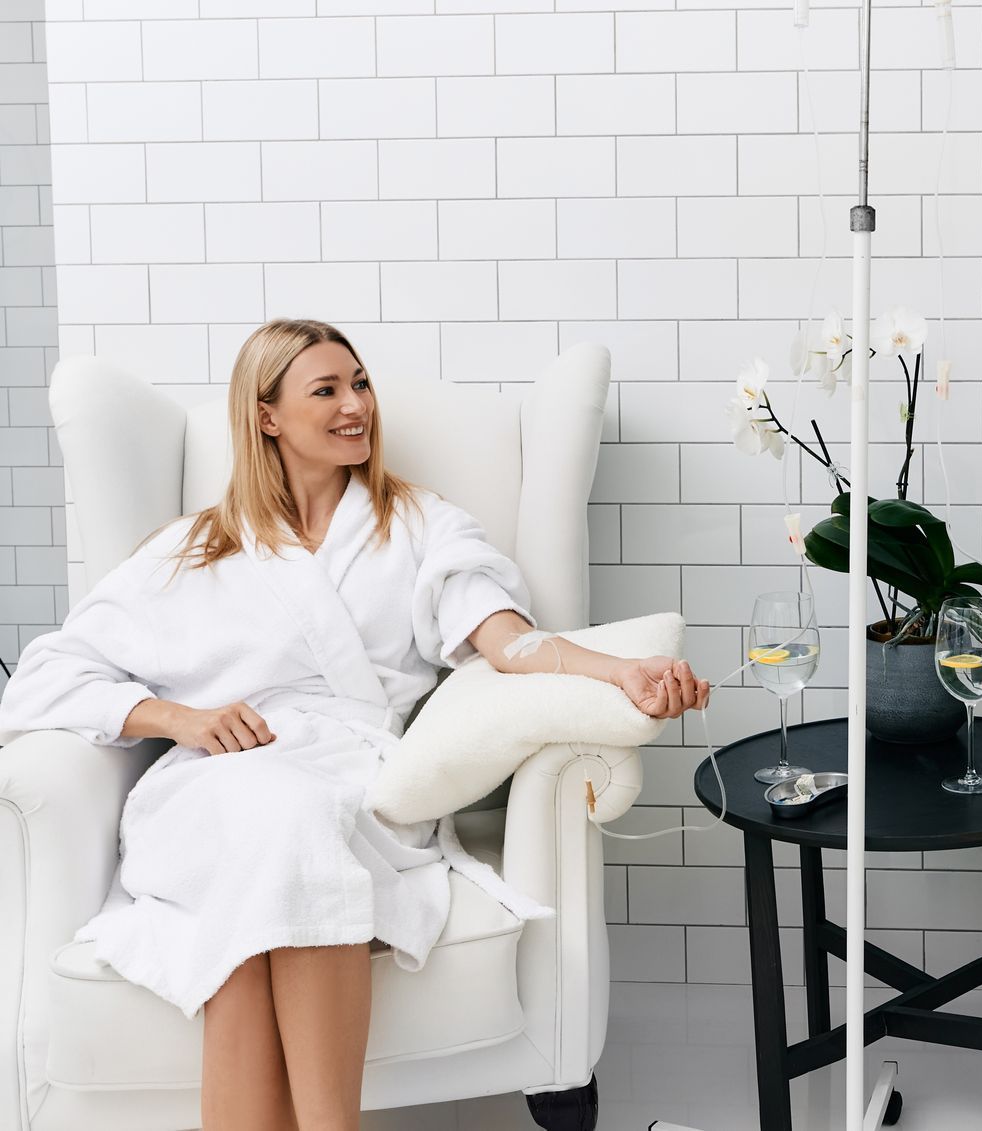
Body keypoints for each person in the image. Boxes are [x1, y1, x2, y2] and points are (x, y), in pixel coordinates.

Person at [0, 319, 711, 1131]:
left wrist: (616, 671)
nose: (357, 406)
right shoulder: (190, 549)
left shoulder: (416, 523)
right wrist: (178, 717)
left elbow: (508, 640)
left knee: (278, 846)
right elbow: (44, 678)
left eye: (360, 383)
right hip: (207, 787)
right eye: (327, 390)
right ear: (266, 415)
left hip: (351, 782)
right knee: (265, 832)